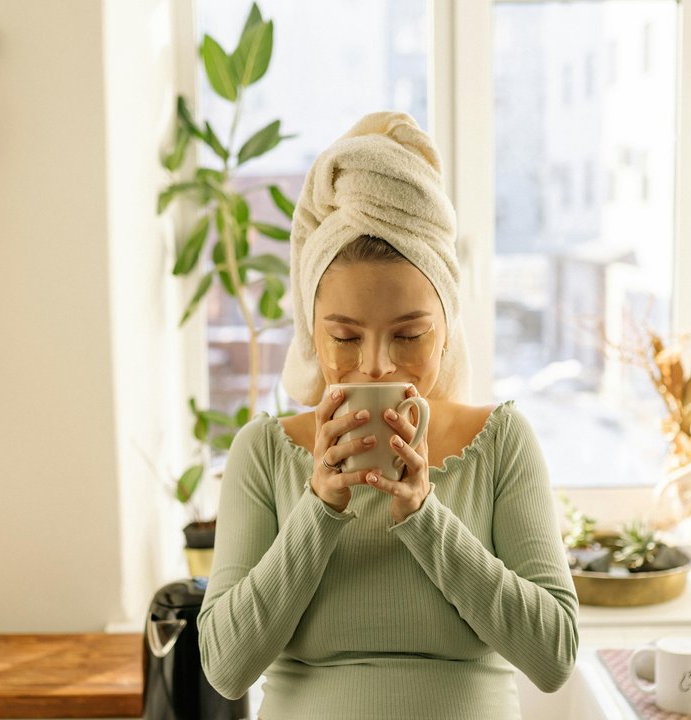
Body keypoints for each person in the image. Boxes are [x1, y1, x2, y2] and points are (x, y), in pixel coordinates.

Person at [197, 111, 578, 719]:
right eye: (345, 338)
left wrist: (425, 517)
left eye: (409, 335)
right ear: (311, 335)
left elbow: (554, 657)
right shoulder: (263, 452)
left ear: (446, 330)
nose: (376, 367)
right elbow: (225, 667)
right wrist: (318, 509)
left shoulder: (502, 442)